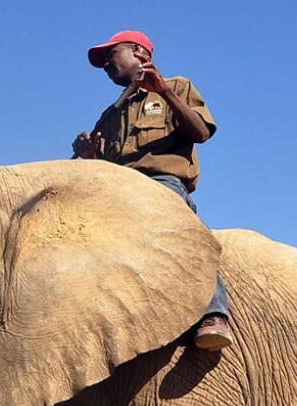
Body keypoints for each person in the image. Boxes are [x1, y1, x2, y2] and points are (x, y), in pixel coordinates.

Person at [73, 29, 233, 350]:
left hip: (160, 185)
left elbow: (201, 132)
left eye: (111, 55)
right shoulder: (109, 115)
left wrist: (165, 93)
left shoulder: (177, 87)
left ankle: (214, 313)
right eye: (103, 60)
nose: (106, 64)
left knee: (180, 222)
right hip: (115, 191)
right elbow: (100, 170)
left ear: (139, 53)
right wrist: (88, 157)